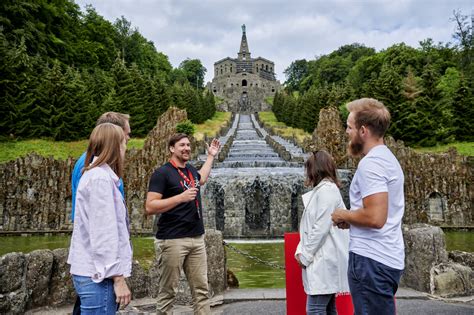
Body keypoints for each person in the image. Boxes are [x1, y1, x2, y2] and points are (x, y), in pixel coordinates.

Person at [331, 98, 405, 315]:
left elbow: (375, 217)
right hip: (385, 257)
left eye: (349, 126)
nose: (346, 131)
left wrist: (342, 213)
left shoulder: (371, 164)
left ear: (363, 131)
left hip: (371, 261)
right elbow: (379, 213)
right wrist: (352, 219)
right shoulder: (387, 159)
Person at [145, 133, 220, 315]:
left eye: (188, 145)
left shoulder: (190, 171)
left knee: (201, 291)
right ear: (172, 148)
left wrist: (211, 156)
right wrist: (180, 198)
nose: (186, 148)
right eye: (182, 145)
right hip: (172, 239)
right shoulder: (161, 173)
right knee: (168, 292)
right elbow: (150, 206)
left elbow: (201, 179)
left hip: (196, 238)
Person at [67, 123, 132, 314]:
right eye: (123, 143)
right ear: (113, 146)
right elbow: (103, 233)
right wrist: (118, 278)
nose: (125, 148)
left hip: (94, 272)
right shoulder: (100, 179)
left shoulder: (97, 175)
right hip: (98, 276)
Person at [295, 150, 350, 315]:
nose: (307, 173)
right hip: (324, 258)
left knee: (315, 309)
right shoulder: (325, 189)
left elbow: (320, 227)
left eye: (309, 168)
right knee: (328, 308)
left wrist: (304, 255)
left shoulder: (326, 190)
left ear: (316, 169)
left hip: (324, 259)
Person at [71, 112, 131, 222]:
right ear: (114, 133)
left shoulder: (102, 165)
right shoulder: (94, 171)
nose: (129, 138)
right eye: (127, 133)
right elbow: (99, 219)